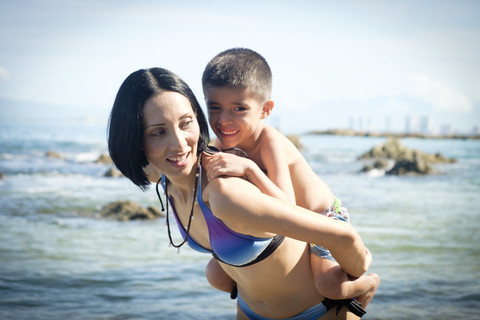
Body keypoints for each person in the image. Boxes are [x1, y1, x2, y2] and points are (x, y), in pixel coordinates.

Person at [108, 67, 373, 320]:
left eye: (186, 123)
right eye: (158, 132)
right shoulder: (166, 180)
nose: (179, 143)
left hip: (320, 312)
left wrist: (357, 276)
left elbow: (343, 236)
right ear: (137, 143)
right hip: (248, 312)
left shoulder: (225, 192)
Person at [200, 48, 379, 312]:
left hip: (321, 218)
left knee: (331, 286)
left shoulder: (269, 142)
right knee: (216, 276)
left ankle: (368, 284)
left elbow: (286, 204)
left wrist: (250, 169)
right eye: (214, 107)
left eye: (239, 108)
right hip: (288, 229)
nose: (224, 120)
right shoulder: (222, 143)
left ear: (265, 109)